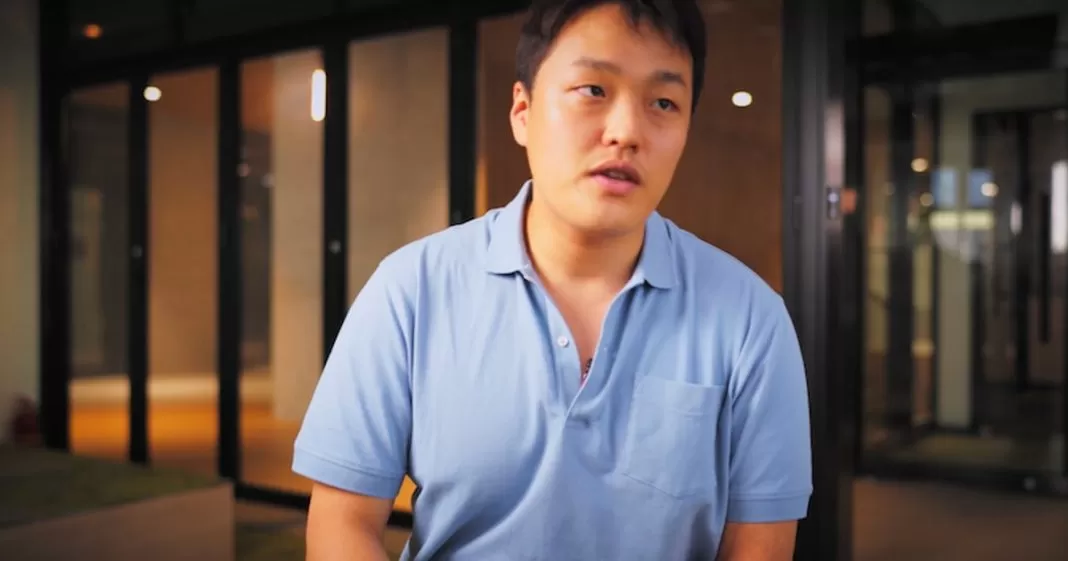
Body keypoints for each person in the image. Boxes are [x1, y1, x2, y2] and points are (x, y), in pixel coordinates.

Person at [293, 0, 812, 559]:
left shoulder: (750, 318)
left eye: (664, 102)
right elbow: (342, 524)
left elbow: (760, 547)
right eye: (593, 90)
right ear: (522, 112)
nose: (626, 132)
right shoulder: (411, 291)